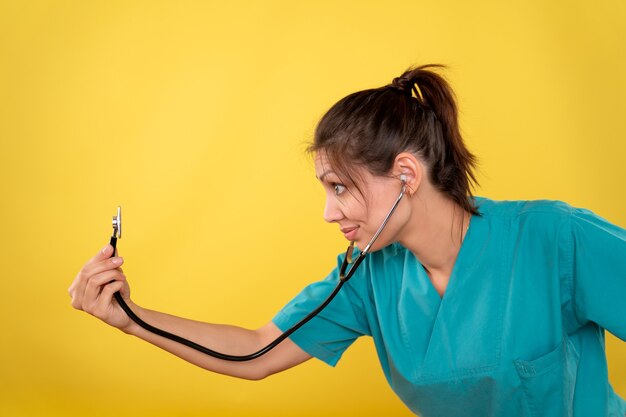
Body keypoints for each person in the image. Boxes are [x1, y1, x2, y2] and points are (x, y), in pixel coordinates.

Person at [69, 64, 626, 416]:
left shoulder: (555, 238)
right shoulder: (366, 278)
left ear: (406, 175)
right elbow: (256, 350)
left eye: (340, 188)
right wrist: (131, 318)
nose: (327, 212)